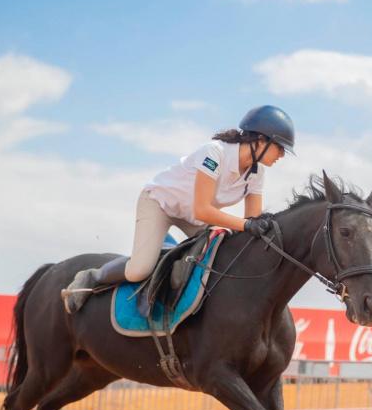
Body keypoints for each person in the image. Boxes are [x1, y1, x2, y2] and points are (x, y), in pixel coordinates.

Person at [61, 105, 294, 314]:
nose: (282, 155)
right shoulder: (214, 153)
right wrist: (246, 225)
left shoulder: (257, 172)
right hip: (160, 204)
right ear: (260, 141)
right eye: (280, 148)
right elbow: (204, 210)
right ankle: (94, 275)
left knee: (224, 259)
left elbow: (251, 220)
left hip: (192, 216)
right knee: (139, 270)